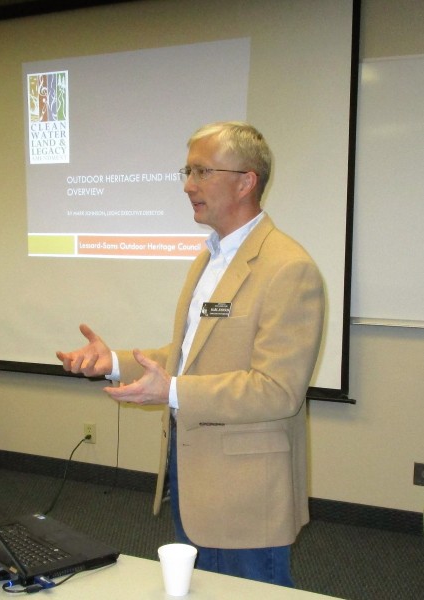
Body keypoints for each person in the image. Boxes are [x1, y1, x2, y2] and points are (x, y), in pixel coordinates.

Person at [56, 122, 325, 586]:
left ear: (246, 181)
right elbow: (188, 356)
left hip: (245, 492)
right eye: (187, 170)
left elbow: (278, 391)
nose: (188, 185)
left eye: (201, 171)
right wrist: (114, 363)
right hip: (192, 471)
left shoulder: (289, 268)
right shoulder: (209, 257)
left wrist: (174, 390)